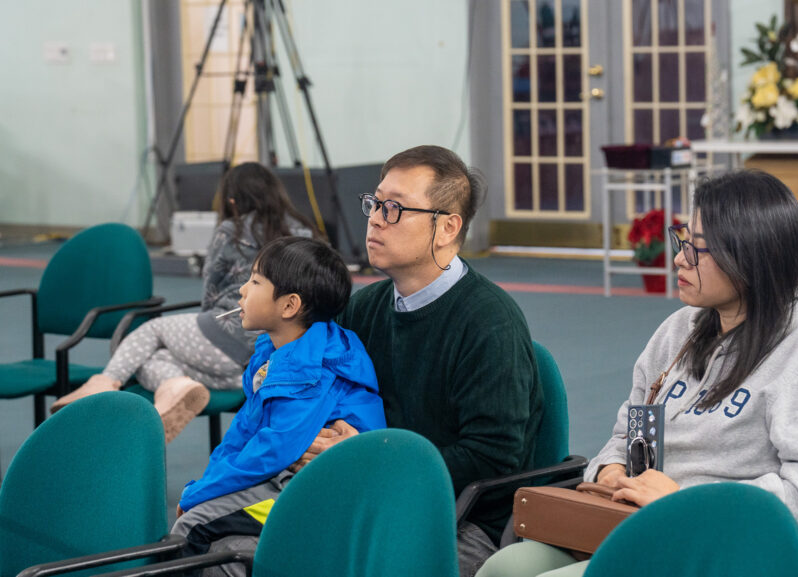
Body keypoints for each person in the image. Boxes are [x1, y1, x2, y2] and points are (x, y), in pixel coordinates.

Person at [477, 169, 798, 577]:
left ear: (750, 255)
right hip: (645, 527)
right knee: (505, 569)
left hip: (741, 551)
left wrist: (684, 500)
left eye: (697, 248)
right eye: (683, 240)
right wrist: (610, 470)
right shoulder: (679, 331)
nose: (679, 259)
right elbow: (627, 435)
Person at [194, 145, 542, 577]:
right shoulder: (363, 308)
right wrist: (314, 434)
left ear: (447, 228)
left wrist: (369, 456)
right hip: (361, 493)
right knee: (218, 551)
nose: (375, 219)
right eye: (375, 204)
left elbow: (493, 457)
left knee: (273, 562)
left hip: (453, 517)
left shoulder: (490, 323)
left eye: (394, 208)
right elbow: (312, 389)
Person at [50, 162, 316, 442]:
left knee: (151, 331)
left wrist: (207, 327)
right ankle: (179, 385)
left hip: (229, 330)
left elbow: (210, 288)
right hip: (276, 350)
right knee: (155, 358)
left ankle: (106, 382)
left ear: (233, 200)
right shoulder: (303, 232)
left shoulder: (232, 229)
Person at [171, 236, 385, 557]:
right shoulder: (274, 352)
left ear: (289, 306)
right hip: (287, 473)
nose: (243, 290)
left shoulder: (310, 370)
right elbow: (244, 430)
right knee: (204, 517)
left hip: (327, 495)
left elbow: (274, 450)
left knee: (193, 525)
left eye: (255, 281)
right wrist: (204, 486)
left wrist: (198, 496)